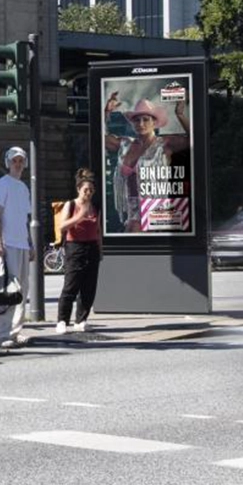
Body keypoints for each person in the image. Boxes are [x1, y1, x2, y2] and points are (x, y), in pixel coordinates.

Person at [104, 96, 190, 232]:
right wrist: (106, 113)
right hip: (128, 207)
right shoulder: (125, 144)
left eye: (146, 119)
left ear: (154, 122)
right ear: (132, 123)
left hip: (153, 205)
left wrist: (180, 114)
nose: (141, 124)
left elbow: (195, 139)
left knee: (132, 235)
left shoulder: (164, 144)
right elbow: (100, 138)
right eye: (137, 120)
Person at [0, 146, 32, 348]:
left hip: (22, 244)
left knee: (22, 291)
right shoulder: (1, 185)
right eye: (14, 160)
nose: (18, 164)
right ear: (8, 163)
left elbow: (25, 219)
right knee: (7, 290)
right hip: (7, 245)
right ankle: (3, 334)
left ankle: (15, 332)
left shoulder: (23, 188)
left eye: (21, 160)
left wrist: (30, 244)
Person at [56, 169, 103, 334]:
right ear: (78, 189)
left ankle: (81, 320)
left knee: (89, 287)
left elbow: (98, 230)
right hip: (75, 247)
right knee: (71, 285)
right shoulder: (70, 205)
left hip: (92, 247)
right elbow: (62, 226)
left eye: (91, 190)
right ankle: (62, 320)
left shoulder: (96, 207)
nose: (88, 193)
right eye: (85, 190)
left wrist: (100, 249)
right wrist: (79, 216)